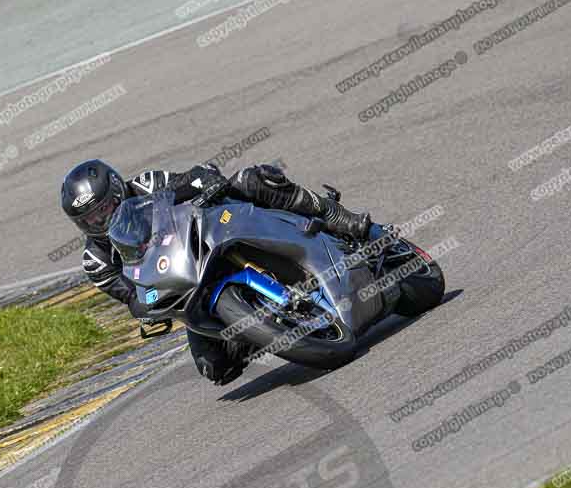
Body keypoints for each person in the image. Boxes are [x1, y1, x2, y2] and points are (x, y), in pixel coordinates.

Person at [60, 159, 374, 384]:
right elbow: (131, 298)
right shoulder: (96, 261)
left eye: (105, 209)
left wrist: (204, 180)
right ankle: (267, 322)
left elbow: (191, 179)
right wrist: (145, 310)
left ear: (117, 192)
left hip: (208, 235)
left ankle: (335, 216)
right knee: (215, 368)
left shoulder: (146, 185)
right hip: (184, 283)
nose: (101, 221)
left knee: (251, 180)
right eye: (91, 220)